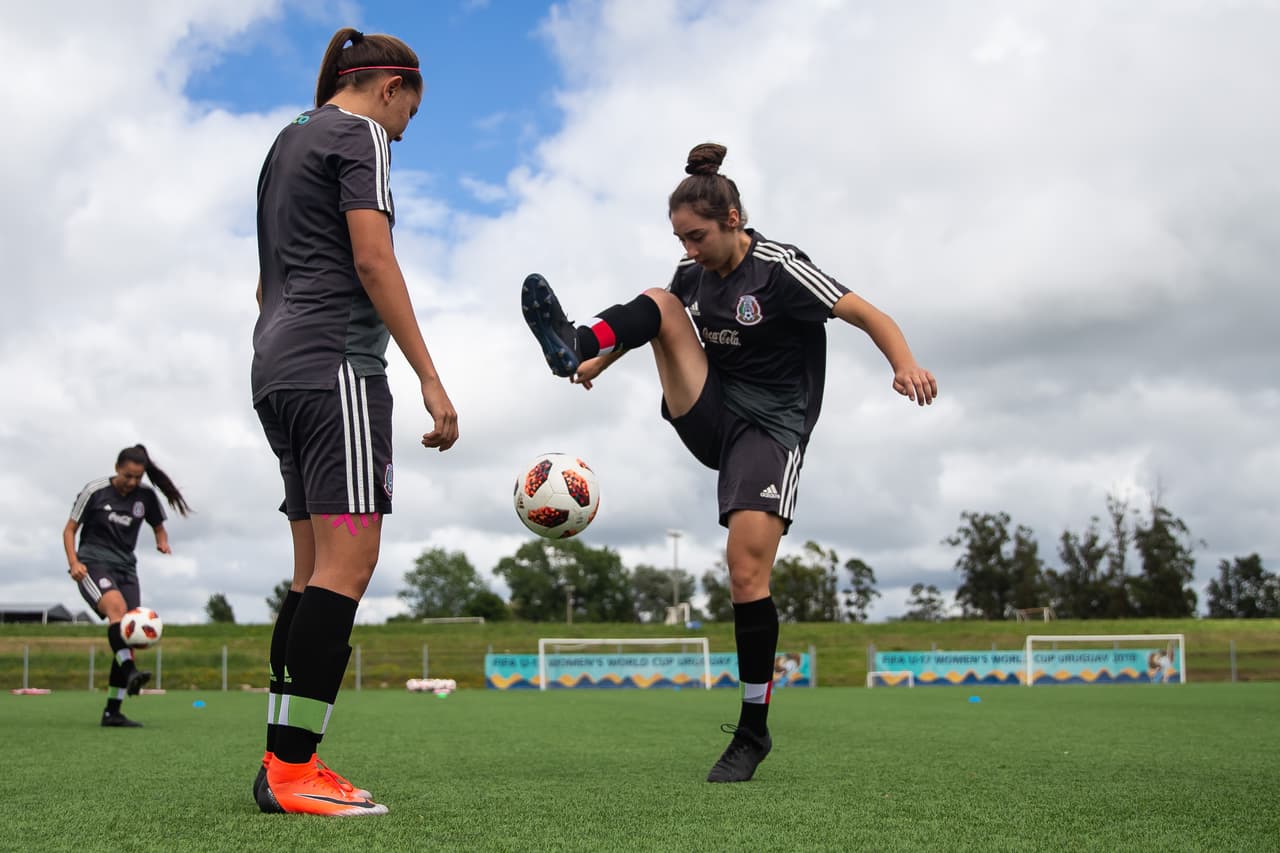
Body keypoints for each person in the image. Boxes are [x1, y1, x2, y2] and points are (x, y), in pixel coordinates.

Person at [521, 142, 937, 783]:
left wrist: (903, 362)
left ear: (733, 219)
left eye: (697, 236)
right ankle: (575, 340)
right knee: (660, 300)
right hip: (713, 412)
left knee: (745, 571)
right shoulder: (692, 275)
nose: (690, 250)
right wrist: (595, 362)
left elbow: (865, 312)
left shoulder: (780, 269)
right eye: (681, 238)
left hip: (772, 430)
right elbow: (659, 323)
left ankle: (752, 730)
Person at [251, 26, 458, 817]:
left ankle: (281, 764)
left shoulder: (287, 137)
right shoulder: (362, 133)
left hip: (278, 366)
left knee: (310, 574)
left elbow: (267, 275)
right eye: (411, 107)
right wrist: (430, 377)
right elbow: (373, 260)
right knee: (349, 564)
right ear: (388, 86)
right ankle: (295, 770)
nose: (407, 124)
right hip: (335, 367)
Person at [63, 444, 190, 728]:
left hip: (126, 569)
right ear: (117, 467)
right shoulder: (94, 491)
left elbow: (158, 524)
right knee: (118, 613)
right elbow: (69, 529)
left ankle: (113, 711)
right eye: (128, 476)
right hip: (92, 564)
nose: (132, 483)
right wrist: (74, 563)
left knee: (129, 633)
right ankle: (131, 671)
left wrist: (162, 540)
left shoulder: (145, 496)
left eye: (138, 477)